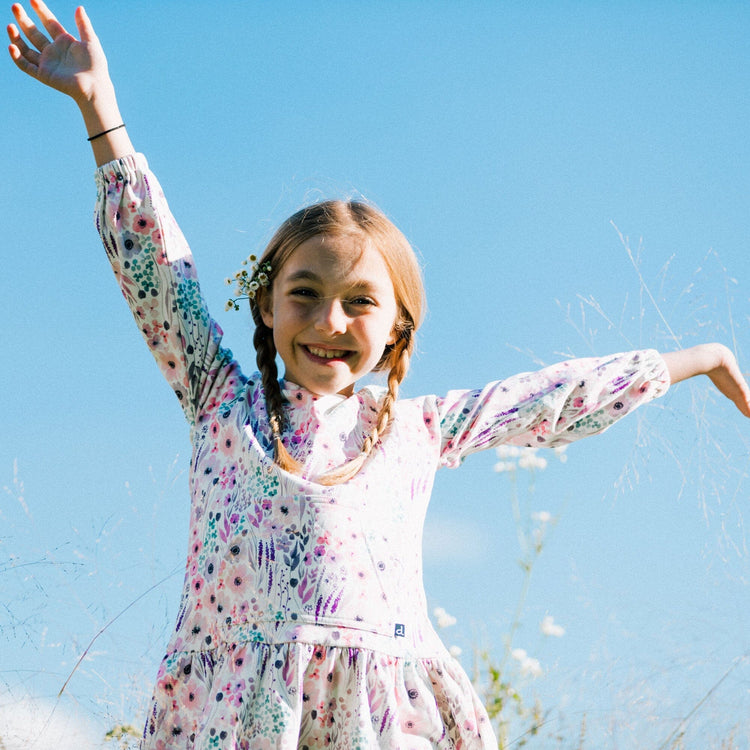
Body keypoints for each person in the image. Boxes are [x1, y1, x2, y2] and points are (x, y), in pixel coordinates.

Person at [8, 2, 750, 748]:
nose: (330, 321)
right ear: (265, 303)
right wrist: (99, 108)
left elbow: (550, 400)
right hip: (232, 724)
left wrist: (696, 360)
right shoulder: (219, 401)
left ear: (398, 329)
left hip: (377, 724)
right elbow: (155, 271)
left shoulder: (419, 431)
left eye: (359, 302)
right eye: (305, 294)